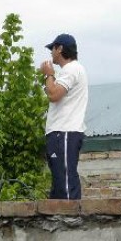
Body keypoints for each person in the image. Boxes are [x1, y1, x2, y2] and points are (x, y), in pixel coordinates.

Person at [39, 33, 88, 200]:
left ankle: (71, 221)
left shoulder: (71, 69)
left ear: (59, 49)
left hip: (65, 131)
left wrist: (48, 75)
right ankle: (60, 221)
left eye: (52, 49)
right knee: (59, 180)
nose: (51, 53)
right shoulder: (69, 71)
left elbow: (53, 94)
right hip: (59, 132)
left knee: (65, 180)